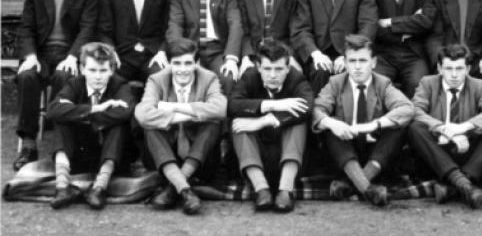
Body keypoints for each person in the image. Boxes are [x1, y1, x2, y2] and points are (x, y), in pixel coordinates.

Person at [13, 0, 99, 171]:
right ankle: (29, 144)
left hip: (69, 53)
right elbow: (27, 27)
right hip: (40, 53)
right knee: (27, 77)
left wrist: (73, 57)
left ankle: (60, 147)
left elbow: (87, 28)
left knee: (65, 78)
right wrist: (29, 56)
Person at [312, 35, 414, 207]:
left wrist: (373, 124)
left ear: (373, 62)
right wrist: (332, 123)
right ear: (345, 62)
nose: (357, 67)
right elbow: (315, 110)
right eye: (352, 61)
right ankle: (368, 189)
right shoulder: (336, 83)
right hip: (345, 153)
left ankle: (353, 184)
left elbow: (407, 108)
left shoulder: (382, 83)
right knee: (330, 126)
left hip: (374, 154)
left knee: (398, 127)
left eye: (363, 61)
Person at [408, 44, 482, 209]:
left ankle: (457, 184)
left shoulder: (477, 85)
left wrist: (464, 128)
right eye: (448, 68)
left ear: (468, 69)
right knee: (415, 128)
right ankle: (464, 183)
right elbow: (414, 110)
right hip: (437, 150)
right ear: (440, 68)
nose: (454, 75)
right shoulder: (428, 83)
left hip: (467, 150)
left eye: (459, 69)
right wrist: (443, 129)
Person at [134, 38, 227, 215]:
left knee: (213, 123)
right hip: (165, 155)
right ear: (169, 64)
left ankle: (174, 185)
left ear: (196, 62)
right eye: (177, 63)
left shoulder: (209, 78)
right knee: (150, 126)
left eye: (188, 63)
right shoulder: (157, 79)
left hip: (199, 157)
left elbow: (220, 109)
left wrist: (173, 108)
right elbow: (142, 114)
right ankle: (185, 190)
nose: (183, 69)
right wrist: (193, 114)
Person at [46, 42, 135, 210]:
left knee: (119, 125)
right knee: (60, 121)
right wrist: (95, 108)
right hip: (80, 154)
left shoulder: (120, 85)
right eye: (92, 70)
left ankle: (99, 188)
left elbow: (125, 112)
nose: (98, 77)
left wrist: (80, 115)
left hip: (110, 156)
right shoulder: (75, 84)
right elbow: (52, 110)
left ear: (112, 70)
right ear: (82, 69)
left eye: (103, 71)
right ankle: (62, 187)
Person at [228, 39, 313, 213]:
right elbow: (232, 105)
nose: (273, 75)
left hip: (287, 155)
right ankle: (261, 190)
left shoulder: (296, 78)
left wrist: (265, 120)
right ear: (259, 67)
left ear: (288, 68)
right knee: (238, 123)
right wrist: (272, 105)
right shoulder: (250, 76)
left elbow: (308, 108)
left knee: (298, 122)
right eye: (267, 69)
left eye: (279, 69)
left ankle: (285, 191)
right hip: (256, 154)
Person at [166, 0, 242, 95]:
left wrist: (231, 59)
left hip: (217, 50)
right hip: (189, 48)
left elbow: (235, 23)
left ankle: (223, 118)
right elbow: (175, 24)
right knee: (176, 76)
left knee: (228, 77)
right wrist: (179, 55)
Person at [373, 0, 436, 98]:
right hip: (384, 54)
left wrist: (390, 22)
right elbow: (374, 26)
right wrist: (409, 26)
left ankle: (415, 122)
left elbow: (426, 22)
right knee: (376, 84)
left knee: (419, 85)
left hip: (414, 54)